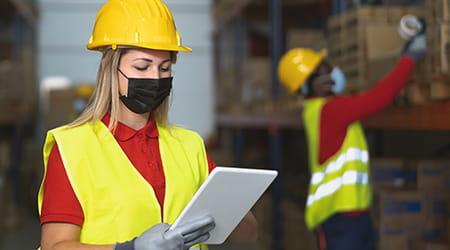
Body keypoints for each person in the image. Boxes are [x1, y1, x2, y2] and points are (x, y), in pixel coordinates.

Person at [37, 0, 258, 249]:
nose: (155, 78)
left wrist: (236, 207)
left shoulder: (189, 145)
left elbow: (247, 236)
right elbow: (55, 246)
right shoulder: (72, 148)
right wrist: (129, 248)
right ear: (109, 68)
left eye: (165, 68)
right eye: (142, 67)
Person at [277, 26, 426, 250]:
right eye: (326, 70)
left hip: (352, 213)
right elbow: (380, 97)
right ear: (311, 83)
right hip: (339, 217)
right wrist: (408, 59)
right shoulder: (331, 111)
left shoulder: (319, 110)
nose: (334, 73)